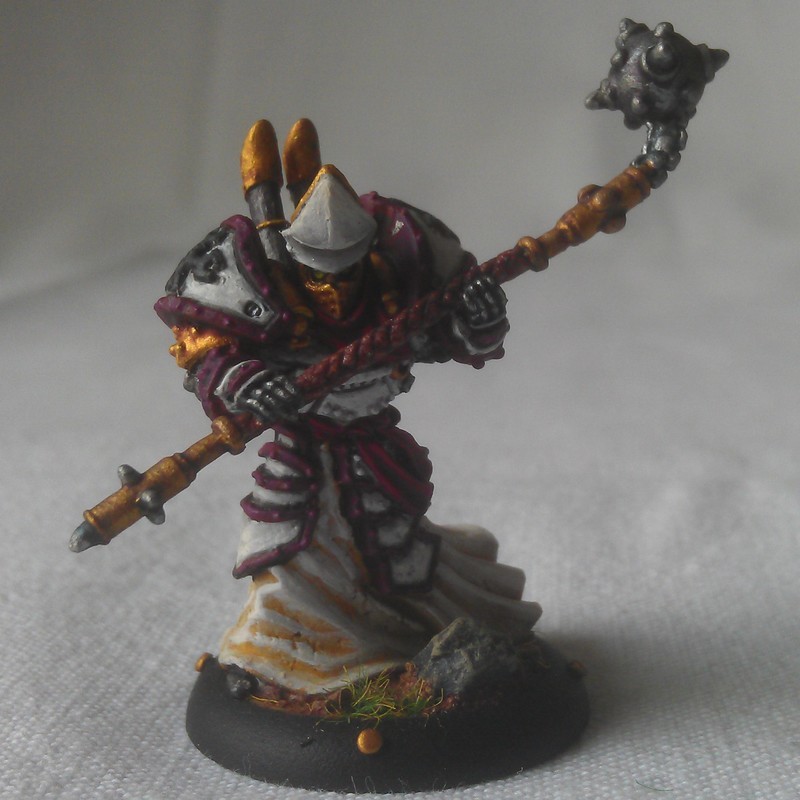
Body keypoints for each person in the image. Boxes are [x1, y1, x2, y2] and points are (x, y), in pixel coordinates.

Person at [154, 120, 541, 697]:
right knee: (285, 553)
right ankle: (295, 660)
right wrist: (250, 381)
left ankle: (399, 639)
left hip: (370, 448)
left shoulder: (394, 283)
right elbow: (206, 355)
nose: (333, 285)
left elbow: (451, 341)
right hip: (301, 452)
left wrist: (480, 320)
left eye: (346, 268)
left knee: (396, 553)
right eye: (317, 271)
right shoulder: (268, 286)